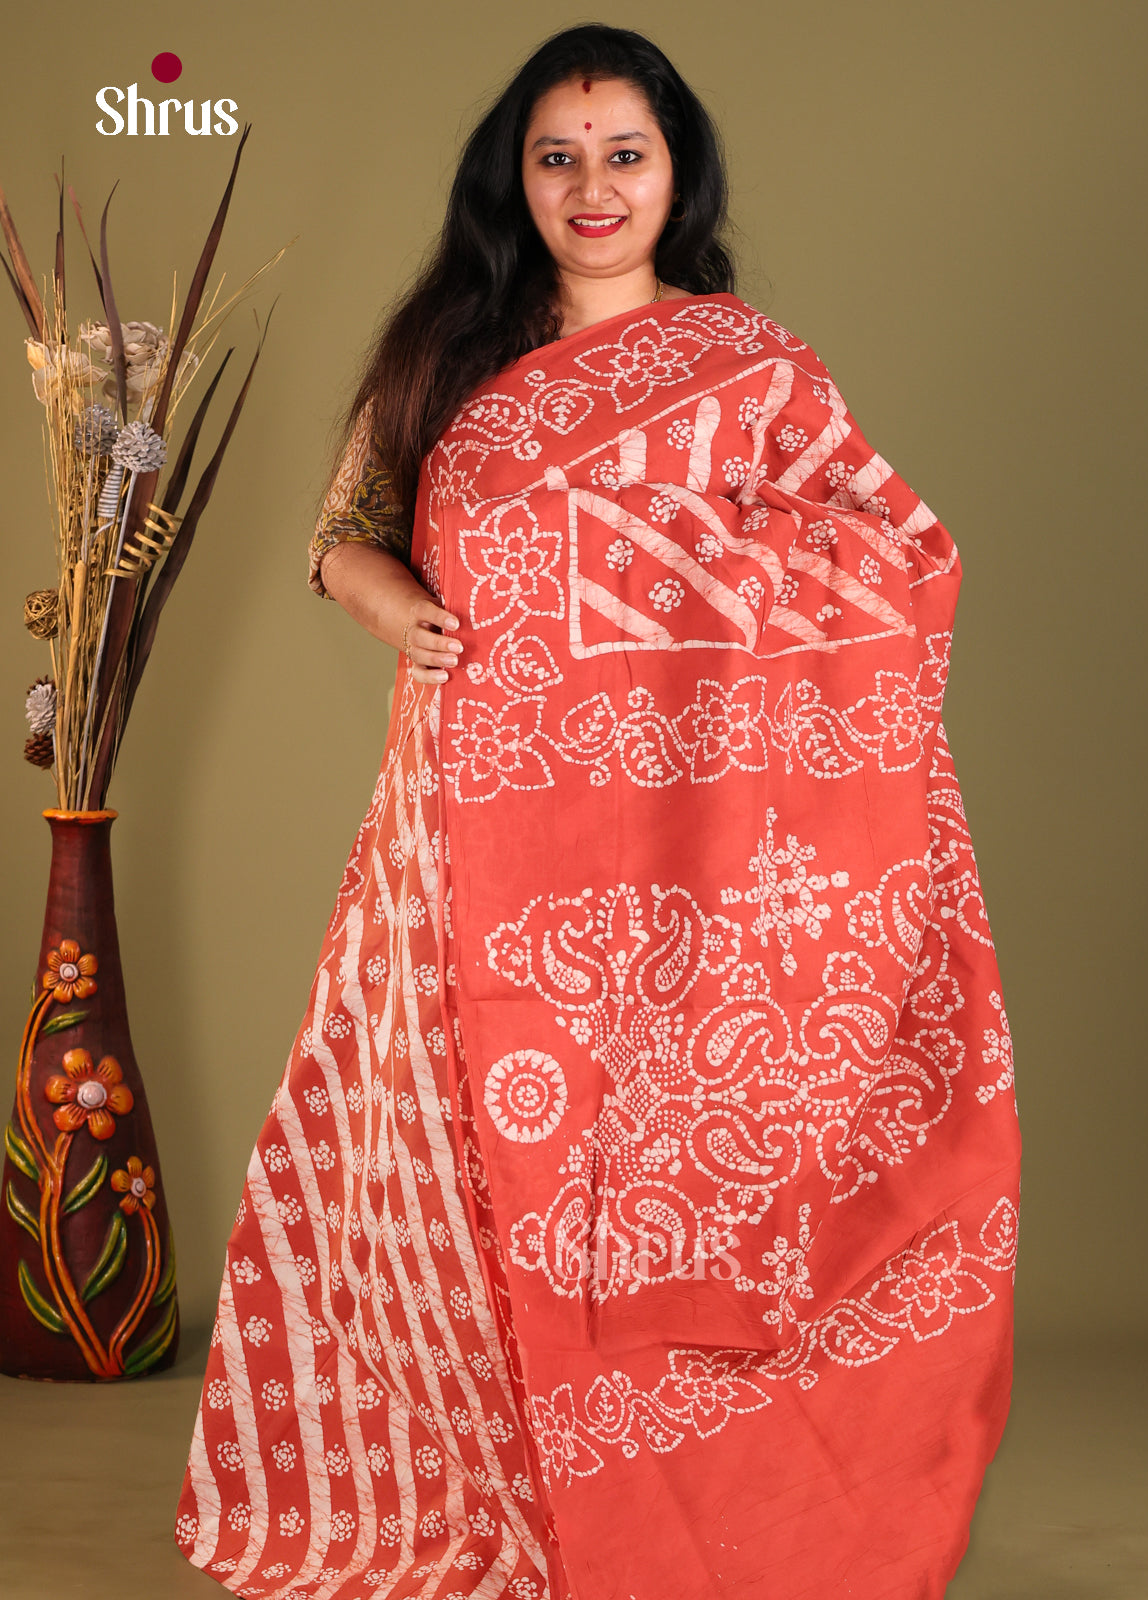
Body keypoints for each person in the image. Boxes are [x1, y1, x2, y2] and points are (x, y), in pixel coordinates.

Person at [176, 23, 1020, 1600]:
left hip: (700, 853)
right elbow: (344, 530)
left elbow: (895, 554)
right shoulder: (449, 353)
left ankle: (718, 1510)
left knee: (665, 1165)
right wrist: (393, 605)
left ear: (677, 173)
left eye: (625, 154)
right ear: (514, 177)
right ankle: (500, 1489)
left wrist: (669, 573)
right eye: (557, 157)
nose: (593, 187)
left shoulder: (753, 367)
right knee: (473, 1149)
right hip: (469, 831)